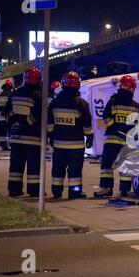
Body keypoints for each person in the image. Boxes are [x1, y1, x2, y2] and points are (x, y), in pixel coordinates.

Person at [94, 75, 139, 199]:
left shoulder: (112, 102)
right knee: (125, 166)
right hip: (128, 142)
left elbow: (106, 119)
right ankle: (124, 190)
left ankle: (106, 188)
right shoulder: (136, 106)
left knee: (107, 165)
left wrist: (114, 129)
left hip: (112, 140)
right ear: (132, 88)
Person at [48, 71, 94, 199]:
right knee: (75, 171)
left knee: (58, 169)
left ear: (63, 84)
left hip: (58, 144)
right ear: (77, 85)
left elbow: (49, 122)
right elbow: (87, 125)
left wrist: (50, 136)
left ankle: (56, 192)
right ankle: (74, 192)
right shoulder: (81, 104)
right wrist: (90, 137)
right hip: (76, 145)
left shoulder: (55, 102)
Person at [5, 67, 42, 198]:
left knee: (15, 166)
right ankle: (34, 190)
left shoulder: (15, 93)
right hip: (32, 138)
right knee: (33, 167)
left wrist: (14, 125)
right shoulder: (37, 94)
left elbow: (7, 112)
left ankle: (14, 190)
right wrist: (25, 123)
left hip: (16, 137)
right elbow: (38, 114)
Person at [0, 79, 14, 151]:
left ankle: (3, 145)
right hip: (9, 116)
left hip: (0, 117)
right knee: (10, 131)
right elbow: (11, 106)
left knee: (2, 132)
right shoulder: (11, 95)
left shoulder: (0, 95)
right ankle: (9, 145)